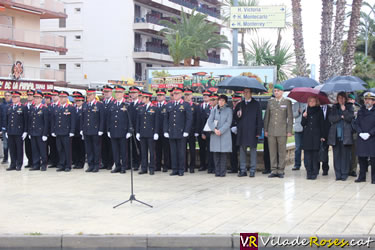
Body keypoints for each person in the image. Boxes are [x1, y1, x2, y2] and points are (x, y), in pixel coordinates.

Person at [264, 84, 293, 178]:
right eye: (275, 91)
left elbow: (290, 117)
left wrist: (289, 130)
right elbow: (267, 117)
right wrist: (266, 130)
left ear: (282, 92)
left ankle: (280, 170)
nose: (276, 92)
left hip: (282, 131)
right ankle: (273, 170)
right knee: (272, 151)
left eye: (278, 91)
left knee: (281, 151)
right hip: (271, 130)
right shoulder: (270, 102)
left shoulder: (287, 102)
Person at [233, 88, 263, 177]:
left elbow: (259, 119)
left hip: (252, 131)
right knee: (242, 151)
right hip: (242, 131)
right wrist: (238, 115)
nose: (245, 94)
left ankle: (252, 170)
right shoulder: (240, 104)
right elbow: (235, 117)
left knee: (253, 151)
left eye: (247, 92)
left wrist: (258, 132)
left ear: (251, 93)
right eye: (244, 92)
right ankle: (243, 170)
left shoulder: (256, 104)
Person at [163, 87, 192, 176]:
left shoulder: (186, 105)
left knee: (181, 152)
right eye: (173, 94)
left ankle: (181, 169)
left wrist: (186, 130)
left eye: (177, 94)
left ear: (181, 95)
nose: (175, 95)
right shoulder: (169, 105)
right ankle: (174, 169)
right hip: (171, 132)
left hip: (181, 132)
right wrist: (165, 130)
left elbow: (189, 119)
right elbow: (166, 119)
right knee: (173, 152)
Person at [327, 92, 354, 181]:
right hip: (335, 135)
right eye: (339, 98)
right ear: (337, 99)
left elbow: (350, 118)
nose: (341, 100)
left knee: (345, 155)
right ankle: (338, 174)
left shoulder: (349, 107)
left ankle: (344, 174)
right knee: (336, 155)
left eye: (342, 98)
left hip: (345, 135)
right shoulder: (334, 107)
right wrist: (340, 116)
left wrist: (344, 111)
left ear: (345, 99)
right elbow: (331, 118)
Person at [107, 85, 132, 174]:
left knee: (123, 150)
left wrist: (129, 131)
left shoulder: (127, 104)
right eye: (116, 92)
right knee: (115, 150)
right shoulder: (112, 105)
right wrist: (108, 130)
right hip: (113, 131)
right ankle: (117, 166)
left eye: (119, 92)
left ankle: (124, 166)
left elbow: (130, 119)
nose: (117, 94)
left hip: (123, 131)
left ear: (123, 93)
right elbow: (109, 118)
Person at [207, 95, 233, 177]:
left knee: (223, 154)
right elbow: (210, 121)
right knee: (216, 154)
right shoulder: (214, 110)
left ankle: (222, 172)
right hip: (215, 134)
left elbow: (228, 122)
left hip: (224, 134)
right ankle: (217, 171)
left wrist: (221, 131)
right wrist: (214, 129)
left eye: (223, 101)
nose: (221, 102)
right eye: (219, 100)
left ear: (225, 102)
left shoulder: (229, 110)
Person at [80, 89, 104, 173]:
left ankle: (96, 165)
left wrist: (101, 129)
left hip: (95, 130)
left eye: (90, 95)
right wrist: (81, 129)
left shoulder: (99, 105)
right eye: (87, 95)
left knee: (96, 149)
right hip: (86, 130)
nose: (88, 96)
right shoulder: (85, 105)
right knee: (88, 149)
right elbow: (82, 118)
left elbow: (102, 119)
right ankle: (90, 165)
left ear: (94, 95)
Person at [51, 91, 75, 172]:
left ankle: (68, 165)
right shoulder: (57, 108)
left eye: (63, 97)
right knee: (60, 149)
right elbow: (53, 120)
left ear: (67, 98)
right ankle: (61, 164)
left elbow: (73, 120)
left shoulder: (70, 107)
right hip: (58, 131)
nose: (62, 99)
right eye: (60, 97)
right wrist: (53, 130)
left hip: (66, 132)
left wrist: (72, 131)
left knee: (67, 149)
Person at [301, 96, 325, 180]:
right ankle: (309, 172)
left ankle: (315, 172)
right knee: (307, 155)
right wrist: (304, 116)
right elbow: (302, 124)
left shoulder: (319, 111)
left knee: (315, 155)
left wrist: (322, 136)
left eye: (313, 101)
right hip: (307, 135)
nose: (311, 103)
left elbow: (322, 123)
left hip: (316, 135)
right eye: (309, 101)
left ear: (316, 102)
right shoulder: (306, 111)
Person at [136, 91, 159, 175]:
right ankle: (144, 168)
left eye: (143, 97)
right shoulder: (141, 108)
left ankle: (152, 167)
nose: (142, 99)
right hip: (142, 132)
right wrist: (138, 132)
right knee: (143, 151)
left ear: (148, 98)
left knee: (152, 152)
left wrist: (156, 132)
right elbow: (139, 121)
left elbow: (156, 121)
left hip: (151, 133)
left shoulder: (154, 108)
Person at [354, 92, 375, 184]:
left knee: (373, 159)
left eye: (369, 99)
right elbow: (356, 123)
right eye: (366, 99)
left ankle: (374, 178)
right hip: (362, 137)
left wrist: (370, 133)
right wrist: (360, 133)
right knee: (362, 158)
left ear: (373, 102)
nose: (367, 101)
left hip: (372, 138)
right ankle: (362, 177)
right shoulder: (361, 111)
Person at [5, 91, 27, 171]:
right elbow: (7, 120)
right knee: (12, 149)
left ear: (19, 98)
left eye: (15, 97)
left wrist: (25, 131)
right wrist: (7, 130)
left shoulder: (23, 107)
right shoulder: (9, 107)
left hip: (19, 131)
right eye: (13, 97)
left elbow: (25, 120)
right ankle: (13, 164)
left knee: (19, 149)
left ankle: (19, 164)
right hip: (10, 131)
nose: (14, 98)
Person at [28, 91, 49, 171]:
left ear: (41, 99)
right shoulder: (33, 108)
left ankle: (44, 164)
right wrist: (30, 132)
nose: (36, 99)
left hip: (41, 133)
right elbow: (30, 121)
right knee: (35, 150)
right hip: (33, 132)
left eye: (37, 98)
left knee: (42, 150)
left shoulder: (44, 108)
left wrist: (45, 134)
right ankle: (36, 164)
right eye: (35, 98)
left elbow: (46, 122)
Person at [184, 89, 198, 173]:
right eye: (185, 95)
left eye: (188, 95)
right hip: (183, 130)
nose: (187, 96)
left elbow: (197, 119)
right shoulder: (182, 105)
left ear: (192, 96)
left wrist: (196, 130)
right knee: (183, 149)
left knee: (192, 149)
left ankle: (192, 166)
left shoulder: (195, 106)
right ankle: (184, 166)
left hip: (192, 131)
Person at [155, 89, 170, 172]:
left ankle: (166, 165)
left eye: (161, 95)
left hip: (165, 131)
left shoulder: (167, 106)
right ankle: (157, 165)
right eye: (158, 95)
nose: (159, 96)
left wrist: (166, 131)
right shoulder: (155, 106)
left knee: (166, 149)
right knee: (157, 149)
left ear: (164, 96)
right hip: (156, 131)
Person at [128, 86, 142, 170]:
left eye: (134, 93)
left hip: (138, 129)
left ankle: (139, 163)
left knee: (139, 147)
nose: (132, 94)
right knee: (131, 147)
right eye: (131, 93)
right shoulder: (129, 104)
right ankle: (133, 163)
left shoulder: (141, 104)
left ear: (138, 94)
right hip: (130, 129)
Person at [197, 90, 212, 172]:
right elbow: (197, 120)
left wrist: (205, 132)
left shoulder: (211, 106)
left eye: (207, 95)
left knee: (209, 149)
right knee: (201, 149)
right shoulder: (199, 106)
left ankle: (210, 165)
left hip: (208, 132)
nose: (205, 96)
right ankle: (202, 165)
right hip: (200, 131)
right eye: (204, 95)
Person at [101, 85, 115, 170]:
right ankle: (104, 162)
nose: (106, 94)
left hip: (111, 128)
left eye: (107, 92)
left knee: (111, 147)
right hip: (102, 128)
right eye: (105, 92)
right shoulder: (102, 103)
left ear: (111, 92)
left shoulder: (114, 102)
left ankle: (111, 163)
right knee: (103, 147)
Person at [348, 93, 361, 177]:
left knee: (354, 152)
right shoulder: (345, 107)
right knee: (347, 152)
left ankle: (353, 169)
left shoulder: (358, 108)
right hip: (346, 132)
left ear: (354, 100)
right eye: (348, 99)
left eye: (351, 99)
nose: (350, 101)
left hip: (355, 133)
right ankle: (347, 168)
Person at [71, 92, 85, 169]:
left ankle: (81, 162)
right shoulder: (73, 109)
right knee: (75, 148)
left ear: (82, 101)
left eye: (79, 101)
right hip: (74, 132)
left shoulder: (84, 109)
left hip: (81, 132)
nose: (77, 102)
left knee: (81, 148)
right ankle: (76, 162)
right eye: (76, 101)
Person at [229, 94, 242, 174]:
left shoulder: (242, 108)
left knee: (241, 151)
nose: (234, 103)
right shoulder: (230, 109)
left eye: (236, 101)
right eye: (233, 101)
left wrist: (238, 127)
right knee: (232, 151)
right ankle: (233, 167)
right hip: (232, 132)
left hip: (240, 132)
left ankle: (241, 167)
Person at [292, 101, 306, 171]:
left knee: (306, 147)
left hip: (305, 128)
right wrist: (298, 112)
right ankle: (297, 164)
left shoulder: (307, 104)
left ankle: (307, 164)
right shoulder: (295, 104)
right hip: (297, 128)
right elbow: (293, 115)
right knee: (297, 147)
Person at [47, 90, 60, 168]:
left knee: (59, 147)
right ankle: (54, 161)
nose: (53, 97)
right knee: (52, 147)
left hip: (58, 130)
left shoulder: (59, 105)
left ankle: (59, 161)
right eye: (53, 95)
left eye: (55, 95)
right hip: (51, 130)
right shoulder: (50, 106)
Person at [319, 104, 331, 176]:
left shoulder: (330, 109)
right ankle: (316, 168)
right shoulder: (317, 109)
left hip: (327, 133)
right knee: (318, 151)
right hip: (318, 134)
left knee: (325, 151)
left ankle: (325, 169)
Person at [24, 89, 35, 168]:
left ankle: (35, 162)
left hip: (34, 130)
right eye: (28, 95)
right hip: (26, 130)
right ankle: (29, 161)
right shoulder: (25, 105)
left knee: (34, 147)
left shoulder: (35, 105)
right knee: (27, 147)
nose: (29, 96)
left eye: (31, 95)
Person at [1, 91, 12, 164]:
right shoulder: (1, 105)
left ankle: (14, 160)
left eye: (8, 95)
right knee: (5, 144)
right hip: (4, 128)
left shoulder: (12, 104)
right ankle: (5, 158)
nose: (7, 97)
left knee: (13, 145)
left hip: (12, 128)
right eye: (6, 95)